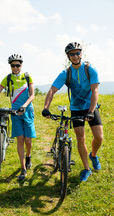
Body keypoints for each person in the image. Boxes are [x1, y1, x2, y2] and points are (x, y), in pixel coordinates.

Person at [42, 42, 103, 182]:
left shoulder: (90, 69)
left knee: (99, 137)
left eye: (77, 53)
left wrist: (91, 111)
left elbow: (95, 90)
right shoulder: (66, 73)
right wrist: (46, 107)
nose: (75, 56)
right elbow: (52, 90)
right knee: (80, 137)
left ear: (81, 54)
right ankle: (87, 168)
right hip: (76, 108)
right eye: (72, 54)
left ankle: (93, 155)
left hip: (91, 107)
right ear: (68, 56)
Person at [0, 54, 36, 180]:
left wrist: (24, 106)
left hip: (27, 111)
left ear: (21, 65)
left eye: (18, 65)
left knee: (28, 141)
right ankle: (23, 169)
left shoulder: (27, 77)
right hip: (15, 112)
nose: (15, 68)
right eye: (13, 65)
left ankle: (28, 156)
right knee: (20, 140)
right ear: (10, 66)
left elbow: (32, 95)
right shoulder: (7, 79)